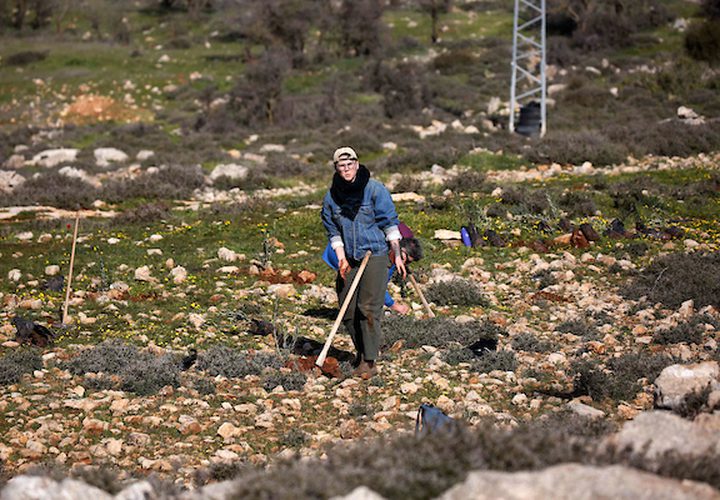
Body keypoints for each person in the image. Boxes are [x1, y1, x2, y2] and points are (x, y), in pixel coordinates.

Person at [321, 146, 405, 379]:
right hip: (349, 256)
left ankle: (369, 361)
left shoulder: (375, 190)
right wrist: (340, 258)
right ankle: (362, 351)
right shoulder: (332, 197)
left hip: (375, 254)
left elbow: (389, 223)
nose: (346, 169)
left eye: (350, 164)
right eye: (341, 165)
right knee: (347, 310)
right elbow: (333, 230)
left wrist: (396, 253)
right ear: (336, 168)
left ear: (357, 164)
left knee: (368, 308)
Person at [321, 230, 423, 315]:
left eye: (409, 262)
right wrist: (394, 306)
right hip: (339, 254)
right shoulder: (380, 252)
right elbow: (377, 287)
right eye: (405, 259)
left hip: (351, 257)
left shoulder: (393, 261)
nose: (404, 263)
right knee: (354, 282)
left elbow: (381, 284)